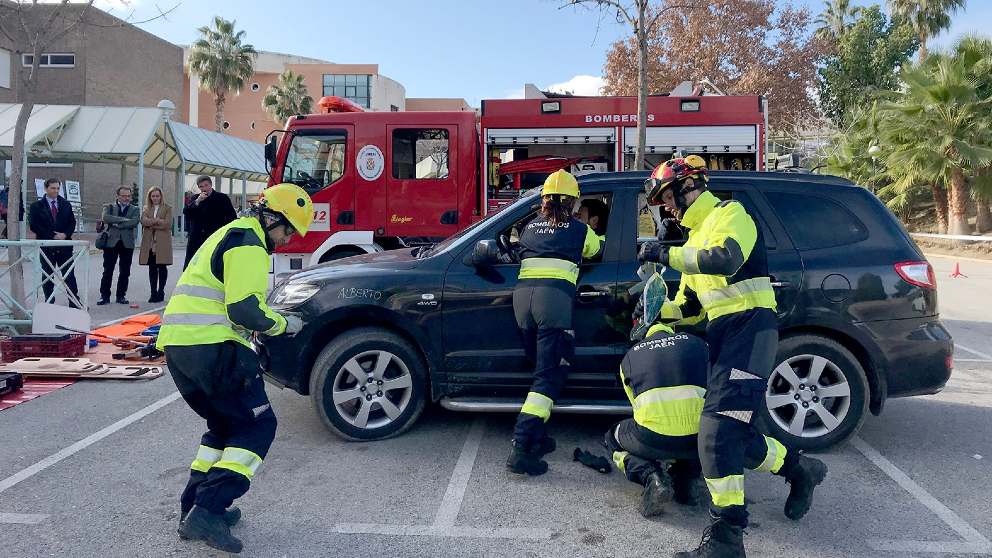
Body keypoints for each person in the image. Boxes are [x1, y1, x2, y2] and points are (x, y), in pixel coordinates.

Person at [638, 156, 828, 557]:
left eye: (667, 197)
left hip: (751, 332)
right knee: (730, 434)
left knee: (719, 432)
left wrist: (664, 255)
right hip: (725, 338)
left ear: (689, 188)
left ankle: (727, 540)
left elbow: (725, 261)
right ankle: (800, 469)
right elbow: (689, 308)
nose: (666, 207)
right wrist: (648, 313)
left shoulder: (730, 214)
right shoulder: (692, 241)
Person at [157, 183, 312, 554]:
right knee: (258, 425)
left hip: (181, 350)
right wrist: (283, 324)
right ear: (271, 216)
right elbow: (243, 310)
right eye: (287, 228)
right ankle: (208, 510)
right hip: (216, 349)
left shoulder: (228, 233)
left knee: (225, 426)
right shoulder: (248, 241)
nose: (287, 239)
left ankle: (194, 507)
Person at [605, 268, 826, 524]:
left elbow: (640, 410)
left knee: (615, 437)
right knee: (733, 435)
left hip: (656, 440)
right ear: (671, 321)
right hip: (706, 438)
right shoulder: (699, 345)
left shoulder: (628, 360)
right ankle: (796, 467)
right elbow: (720, 390)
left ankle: (651, 477)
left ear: (640, 326)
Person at [506, 170, 603, 476]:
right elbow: (596, 251)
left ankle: (537, 437)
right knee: (548, 377)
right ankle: (521, 449)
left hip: (522, 302)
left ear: (544, 200)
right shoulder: (580, 229)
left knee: (538, 370)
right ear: (573, 203)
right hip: (553, 302)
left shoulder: (528, 227)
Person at [28, 178, 79, 307]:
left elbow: (72, 222)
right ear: (46, 189)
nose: (56, 191)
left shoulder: (65, 204)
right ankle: (49, 302)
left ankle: (74, 302)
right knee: (47, 276)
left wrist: (65, 235)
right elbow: (34, 225)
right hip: (47, 247)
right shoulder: (36, 206)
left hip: (64, 246)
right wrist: (51, 236)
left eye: (57, 188)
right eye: (53, 188)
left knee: (69, 275)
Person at [98, 186, 140, 305]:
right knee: (108, 270)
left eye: (128, 196)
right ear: (118, 196)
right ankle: (104, 296)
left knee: (125, 271)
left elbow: (135, 222)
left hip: (127, 244)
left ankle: (121, 296)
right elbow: (105, 218)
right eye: (123, 196)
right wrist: (125, 220)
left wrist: (117, 223)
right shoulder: (109, 207)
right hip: (111, 243)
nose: (126, 198)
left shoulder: (135, 209)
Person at [183, 176, 237, 270]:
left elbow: (231, 217)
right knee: (194, 264)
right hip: (197, 238)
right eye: (201, 186)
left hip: (215, 236)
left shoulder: (222, 198)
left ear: (211, 185)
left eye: (206, 185)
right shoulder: (195, 198)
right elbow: (186, 212)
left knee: (213, 263)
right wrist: (197, 201)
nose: (204, 188)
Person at [139, 187, 173, 303]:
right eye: (153, 196)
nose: (155, 198)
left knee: (162, 267)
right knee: (152, 267)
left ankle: (161, 291)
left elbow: (167, 224)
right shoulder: (146, 208)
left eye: (157, 196)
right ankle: (153, 292)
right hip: (149, 242)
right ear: (150, 197)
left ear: (161, 196)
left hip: (162, 241)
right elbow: (143, 221)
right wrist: (157, 220)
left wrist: (151, 223)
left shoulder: (167, 208)